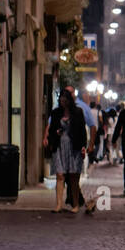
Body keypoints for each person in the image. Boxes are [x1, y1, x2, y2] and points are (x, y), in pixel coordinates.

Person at [43, 87, 89, 215]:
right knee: (60, 175)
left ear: (69, 100)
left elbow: (82, 131)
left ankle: (75, 204)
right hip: (59, 146)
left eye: (65, 100)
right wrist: (54, 134)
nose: (63, 103)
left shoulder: (78, 112)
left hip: (74, 147)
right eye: (61, 100)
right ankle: (58, 204)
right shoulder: (56, 113)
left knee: (74, 176)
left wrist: (83, 147)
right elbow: (51, 129)